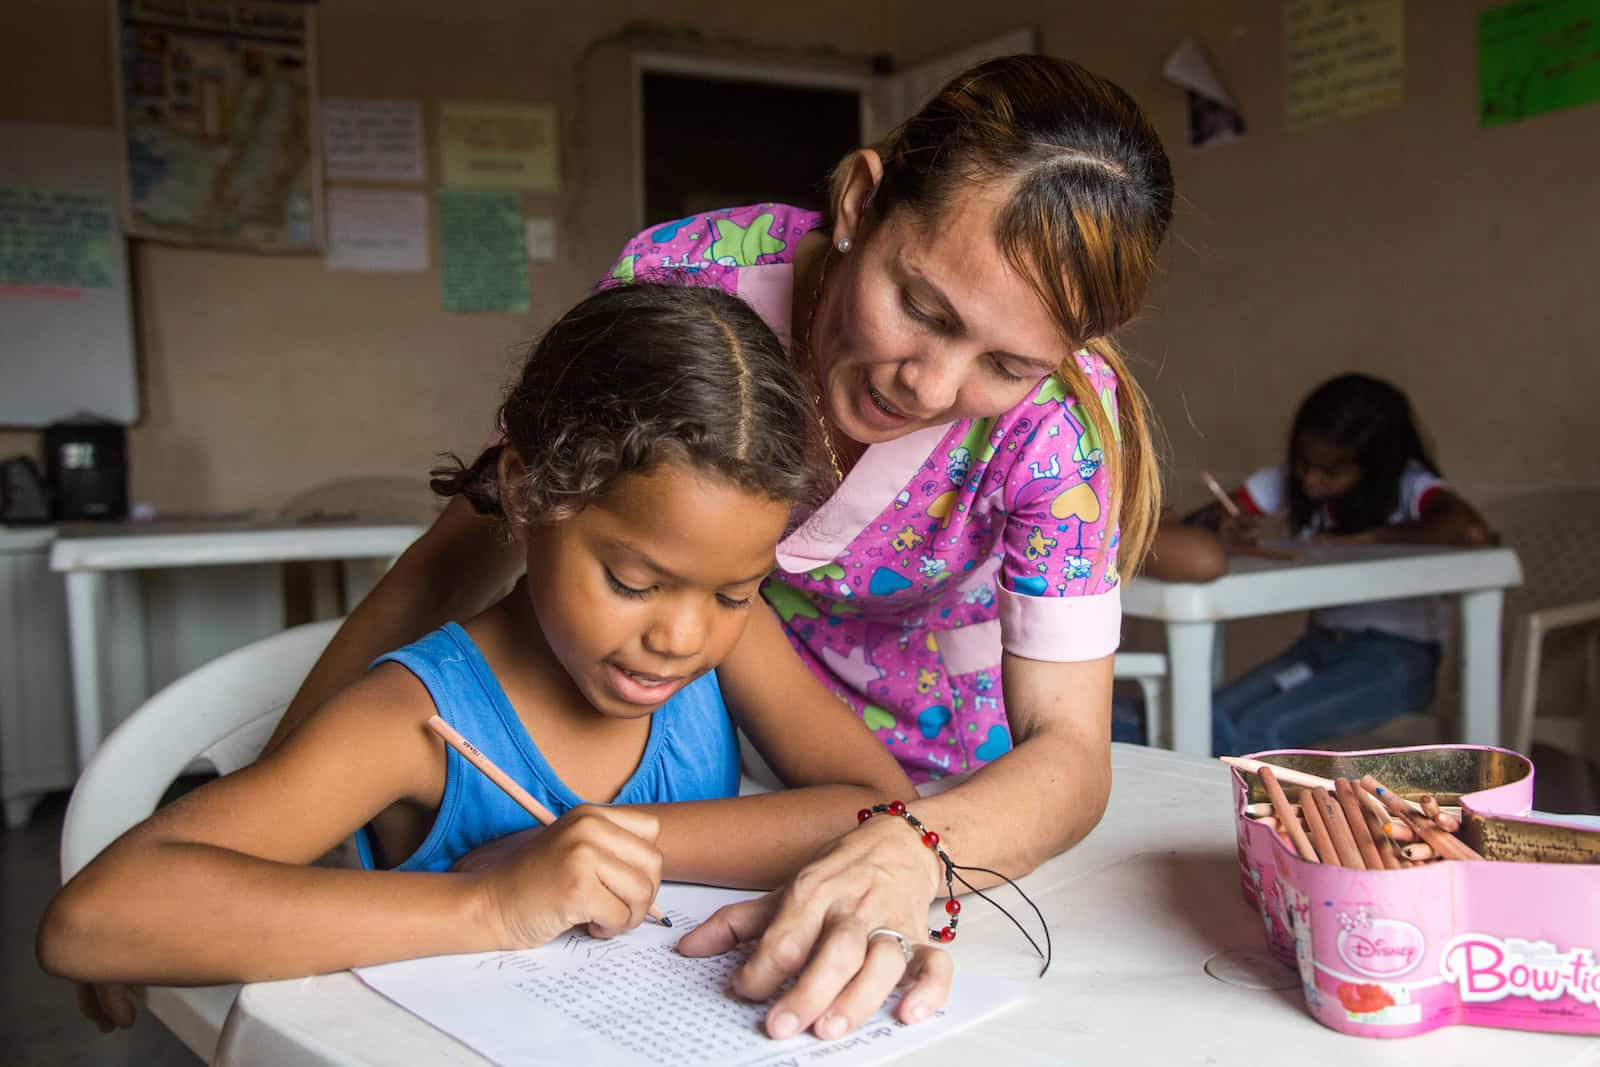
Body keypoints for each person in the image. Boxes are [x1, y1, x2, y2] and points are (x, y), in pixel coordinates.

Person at [252, 54, 1175, 1041]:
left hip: (949, 807)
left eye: (1005, 363)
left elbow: (1068, 757)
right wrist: (266, 822)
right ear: (861, 201)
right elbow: (469, 545)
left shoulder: (1061, 432)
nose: (931, 386)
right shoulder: (696, 283)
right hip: (709, 761)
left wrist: (912, 842)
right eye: (920, 308)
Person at [38, 285, 926, 1001]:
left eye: (736, 592)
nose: (682, 637)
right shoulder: (414, 717)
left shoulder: (724, 639)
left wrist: (620, 836)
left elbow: (884, 808)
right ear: (528, 494)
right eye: (632, 582)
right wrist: (492, 900)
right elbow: (94, 918)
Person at [1186, 373, 1491, 756]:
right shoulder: (1288, 480)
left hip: (1397, 657)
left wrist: (1370, 537)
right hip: (1319, 647)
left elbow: (1470, 532)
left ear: (1374, 468)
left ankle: (1266, 815)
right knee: (1212, 716)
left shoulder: (1409, 486)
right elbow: (1197, 521)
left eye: (1331, 472)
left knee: (1264, 730)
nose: (1311, 480)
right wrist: (1220, 526)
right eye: (1302, 463)